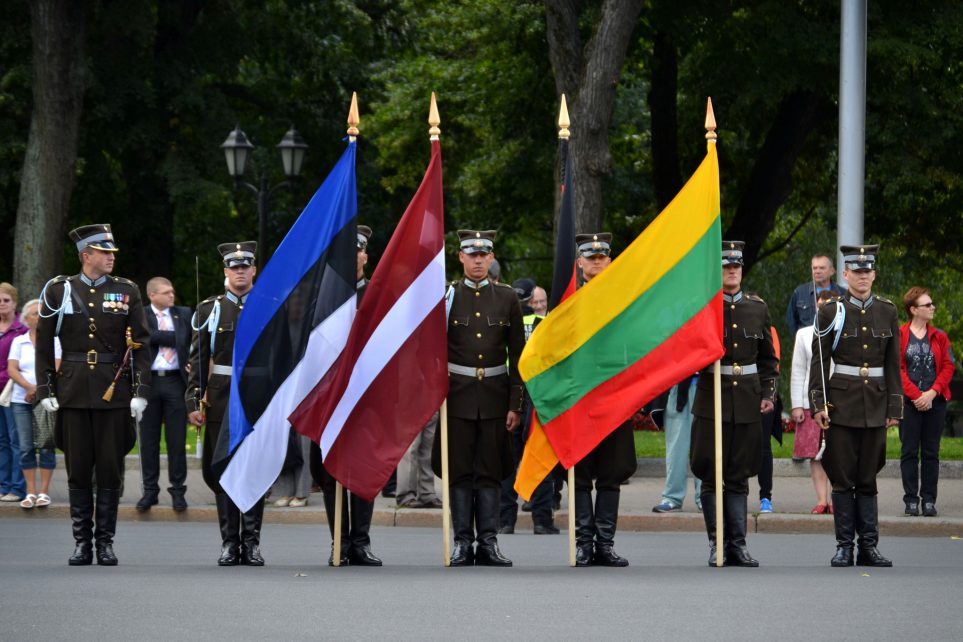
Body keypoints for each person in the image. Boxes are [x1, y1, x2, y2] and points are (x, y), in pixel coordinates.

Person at [36, 225, 151, 566]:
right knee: (78, 470)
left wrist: (140, 390)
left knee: (110, 471)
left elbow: (141, 344)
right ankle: (82, 543)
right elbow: (43, 343)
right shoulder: (59, 290)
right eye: (104, 253)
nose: (111, 257)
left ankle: (105, 542)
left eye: (112, 252)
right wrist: (46, 389)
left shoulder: (127, 290)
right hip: (72, 389)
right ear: (86, 256)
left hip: (112, 391)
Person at [433, 229, 524, 567]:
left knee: (489, 471)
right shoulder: (447, 297)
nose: (478, 260)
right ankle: (461, 542)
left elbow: (518, 355)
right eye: (472, 254)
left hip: (495, 397)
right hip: (456, 397)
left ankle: (487, 542)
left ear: (491, 256)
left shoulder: (507, 298)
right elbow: (432, 350)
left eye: (484, 254)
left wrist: (516, 404)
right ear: (460, 257)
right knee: (459, 472)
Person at [810, 244, 901, 568]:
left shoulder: (888, 311)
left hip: (875, 404)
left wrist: (894, 407)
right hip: (841, 404)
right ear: (845, 274)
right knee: (842, 476)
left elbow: (892, 363)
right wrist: (818, 403)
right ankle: (844, 546)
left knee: (868, 476)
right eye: (856, 271)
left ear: (874, 274)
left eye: (867, 271)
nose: (862, 276)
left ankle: (869, 547)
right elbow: (819, 361)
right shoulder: (831, 310)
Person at [690, 241, 778, 567]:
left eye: (736, 266)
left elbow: (768, 359)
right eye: (726, 266)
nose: (731, 270)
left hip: (746, 401)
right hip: (711, 399)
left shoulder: (757, 308)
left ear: (742, 270)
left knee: (739, 475)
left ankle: (738, 545)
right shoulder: (705, 307)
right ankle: (717, 544)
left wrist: (768, 394)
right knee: (712, 475)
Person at [187, 241, 266, 566]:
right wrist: (194, 400)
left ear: (254, 270)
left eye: (245, 267)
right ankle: (229, 543)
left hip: (257, 398)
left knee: (254, 471)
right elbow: (198, 358)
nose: (240, 272)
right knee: (222, 469)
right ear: (225, 272)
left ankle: (252, 543)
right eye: (234, 268)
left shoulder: (269, 304)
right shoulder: (210, 309)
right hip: (220, 398)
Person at [312, 225, 382, 566]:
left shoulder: (378, 295)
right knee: (331, 475)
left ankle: (361, 542)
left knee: (363, 469)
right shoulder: (322, 297)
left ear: (365, 257)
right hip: (329, 398)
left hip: (366, 398)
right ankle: (338, 541)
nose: (353, 257)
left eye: (358, 251)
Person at [571, 233, 637, 567]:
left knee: (611, 473)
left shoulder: (624, 299)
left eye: (602, 257)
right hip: (581, 399)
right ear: (579, 262)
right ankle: (584, 544)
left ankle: (605, 544)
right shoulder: (567, 299)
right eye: (590, 257)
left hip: (614, 397)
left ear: (609, 261)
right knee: (580, 473)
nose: (597, 262)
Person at [499, 277, 558, 535]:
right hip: (539, 394)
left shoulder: (505, 321)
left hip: (510, 394)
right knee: (538, 456)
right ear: (532, 300)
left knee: (507, 463)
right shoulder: (547, 323)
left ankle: (505, 522)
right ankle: (542, 521)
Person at [137, 277, 192, 512]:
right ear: (152, 295)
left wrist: (156, 336)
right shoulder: (141, 314)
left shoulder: (184, 313)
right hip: (149, 382)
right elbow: (143, 339)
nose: (172, 295)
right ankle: (150, 491)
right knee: (148, 441)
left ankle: (178, 490)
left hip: (174, 381)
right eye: (166, 292)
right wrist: (172, 339)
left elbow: (187, 339)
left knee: (177, 440)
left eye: (172, 291)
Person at [898, 287, 953, 518]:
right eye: (927, 305)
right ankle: (911, 500)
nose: (932, 308)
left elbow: (948, 366)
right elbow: (897, 369)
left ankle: (929, 500)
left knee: (931, 453)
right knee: (909, 452)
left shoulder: (939, 336)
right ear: (913, 310)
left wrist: (931, 393)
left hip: (935, 403)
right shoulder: (900, 335)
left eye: (932, 304)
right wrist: (916, 396)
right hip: (910, 404)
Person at [7, 299, 60, 508]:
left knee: (47, 445)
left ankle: (44, 492)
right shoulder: (18, 341)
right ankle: (30, 492)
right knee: (25, 447)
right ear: (26, 319)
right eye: (36, 314)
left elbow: (56, 367)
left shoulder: (55, 341)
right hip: (21, 400)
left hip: (46, 399)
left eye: (43, 313)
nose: (40, 317)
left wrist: (38, 390)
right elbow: (12, 369)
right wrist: (28, 387)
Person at [789, 290, 835, 514]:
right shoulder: (805, 334)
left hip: (840, 401)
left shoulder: (845, 332)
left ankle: (836, 499)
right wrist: (797, 404)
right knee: (815, 454)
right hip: (811, 402)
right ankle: (821, 499)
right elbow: (798, 370)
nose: (823, 309)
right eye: (820, 305)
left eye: (829, 305)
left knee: (837, 452)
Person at [651, 375, 702, 513]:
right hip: (677, 384)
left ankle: (706, 497)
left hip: (707, 385)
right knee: (676, 448)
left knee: (705, 447)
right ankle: (672, 498)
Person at [0, 282, 28, 503]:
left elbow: (22, 363)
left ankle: (18, 488)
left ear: (14, 303)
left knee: (15, 440)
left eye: (6, 300)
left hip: (12, 391)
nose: (1, 304)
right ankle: (3, 484)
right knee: (1, 441)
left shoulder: (22, 329)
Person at [757, 326, 783, 513]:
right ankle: (737, 493)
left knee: (764, 446)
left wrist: (768, 394)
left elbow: (774, 363)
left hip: (763, 392)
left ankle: (766, 496)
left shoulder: (769, 329)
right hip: (739, 392)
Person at [786, 254, 844, 336]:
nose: (817, 271)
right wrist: (801, 339)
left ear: (832, 271)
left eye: (822, 268)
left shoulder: (842, 294)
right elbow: (791, 321)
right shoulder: (799, 292)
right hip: (807, 343)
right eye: (814, 268)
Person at [395, 412, 442, 509]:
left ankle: (427, 492)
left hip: (433, 400)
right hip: (412, 400)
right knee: (410, 446)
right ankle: (405, 495)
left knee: (429, 448)